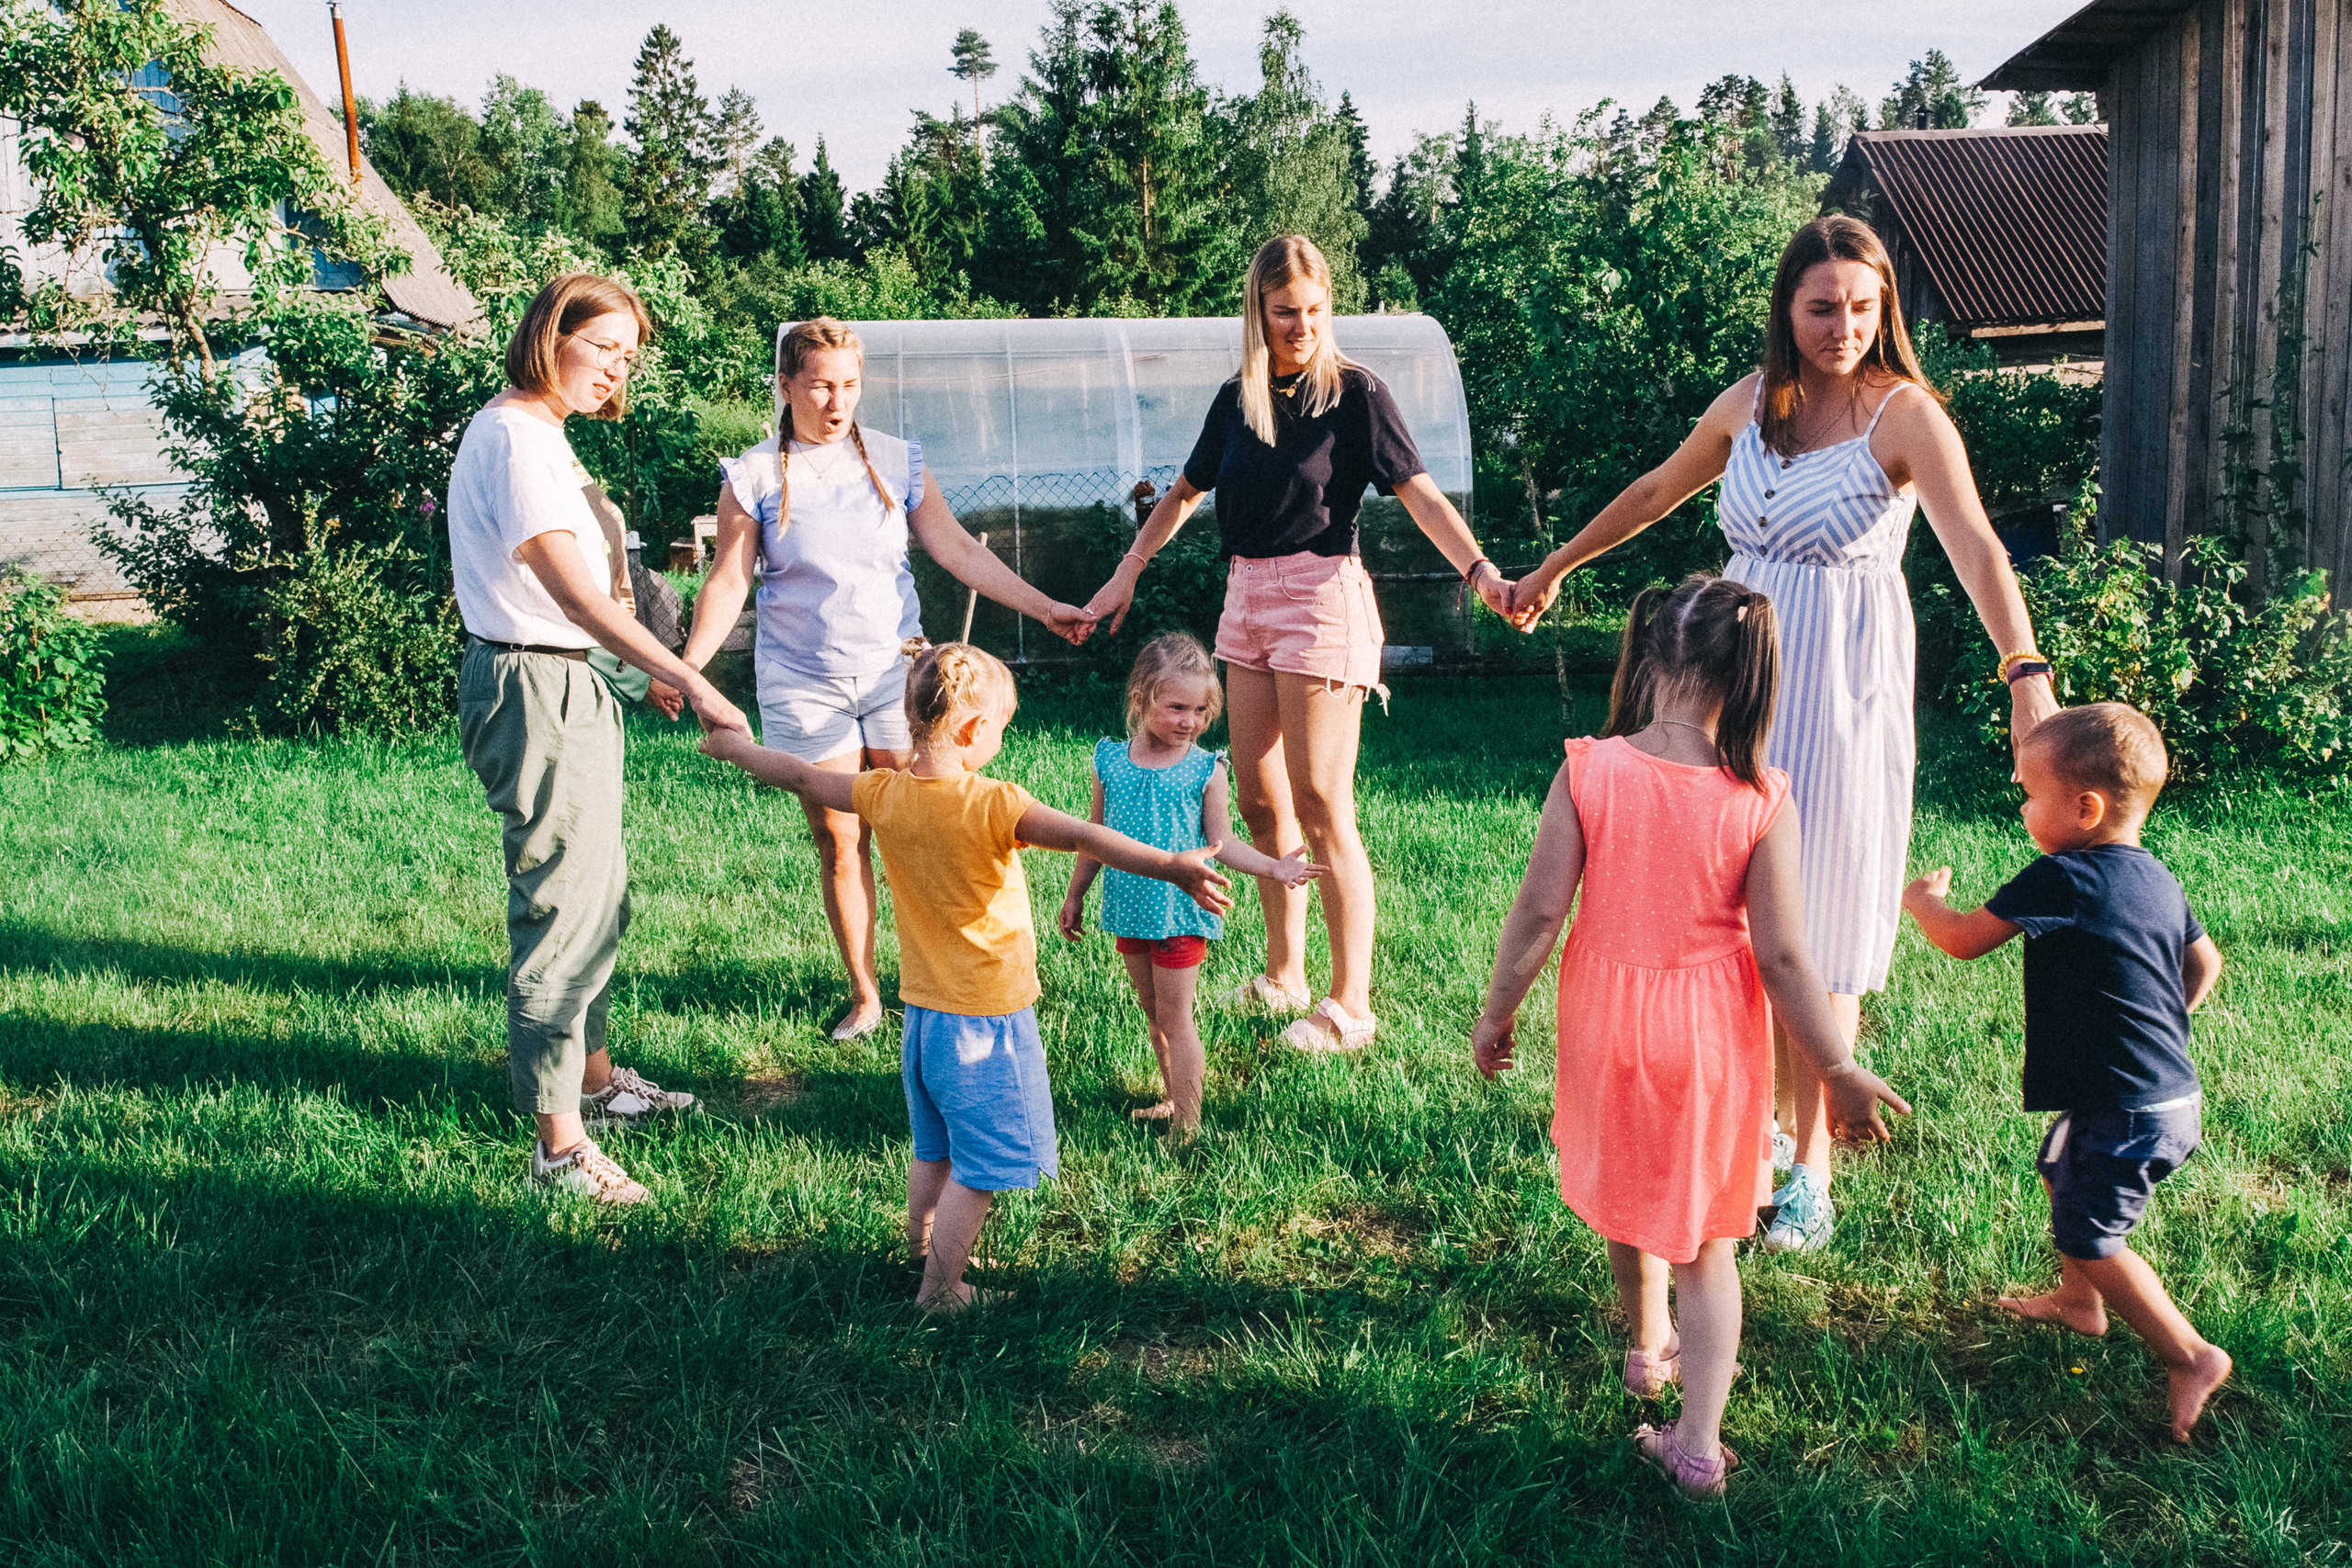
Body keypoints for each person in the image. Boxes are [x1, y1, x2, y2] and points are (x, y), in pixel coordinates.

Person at [1504, 215, 2061, 1251]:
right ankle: (1743, 1135)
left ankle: (1809, 1168)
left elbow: (1976, 546)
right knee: (1725, 915)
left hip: (1841, 688)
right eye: (1821, 307)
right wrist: (1555, 567)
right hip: (1735, 683)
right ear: (1786, 309)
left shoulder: (1905, 418)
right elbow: (1655, 491)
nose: (1842, 325)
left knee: (1820, 920)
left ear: (1884, 307)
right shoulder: (1753, 404)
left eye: (1862, 306)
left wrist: (2023, 670)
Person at [1471, 575, 1911, 1499]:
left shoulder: (1588, 769)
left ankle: (1645, 1349)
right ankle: (1698, 1445)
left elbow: (1538, 913)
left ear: (1648, 655)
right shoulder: (1760, 796)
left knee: (1627, 1187)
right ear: (1749, 675)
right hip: (1710, 1035)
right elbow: (1787, 957)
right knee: (1709, 1241)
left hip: (1607, 1026)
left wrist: (1496, 1012)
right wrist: (1834, 1066)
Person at [700, 643, 1233, 1312]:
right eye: (1002, 727)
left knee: (937, 1151)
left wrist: (735, 749)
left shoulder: (882, 791)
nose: (1001, 739)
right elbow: (1086, 837)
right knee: (979, 1170)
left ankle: (925, 1249)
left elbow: (804, 777)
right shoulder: (994, 804)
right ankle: (942, 1289)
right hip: (986, 1020)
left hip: (923, 1018)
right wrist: (1172, 864)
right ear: (974, 730)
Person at [1083, 235, 1512, 1054]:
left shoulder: (1358, 394)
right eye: (1285, 313)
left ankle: (1352, 1007)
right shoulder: (1237, 399)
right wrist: (1127, 571)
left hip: (1322, 597)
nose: (1302, 326)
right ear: (1259, 311)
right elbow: (1181, 495)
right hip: (1246, 597)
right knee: (1256, 799)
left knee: (1321, 804)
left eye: (1315, 311)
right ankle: (1287, 973)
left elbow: (1419, 495)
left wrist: (1482, 571)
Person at [662, 318, 1099, 1043]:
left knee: (928, 826)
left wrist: (1044, 606)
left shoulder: (895, 460)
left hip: (901, 675)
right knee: (840, 839)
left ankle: (953, 973)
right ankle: (866, 994)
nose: (838, 402)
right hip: (803, 679)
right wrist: (689, 668)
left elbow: (955, 548)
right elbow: (729, 578)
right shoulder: (755, 475)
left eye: (851, 385)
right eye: (821, 385)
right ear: (786, 385)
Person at [448, 272, 749, 1206]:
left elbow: (573, 605)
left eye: (627, 354)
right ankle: (559, 1147)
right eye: (602, 345)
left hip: (568, 676)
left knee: (599, 893)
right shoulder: (516, 440)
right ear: (550, 336)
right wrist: (690, 676)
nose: (617, 367)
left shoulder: (540, 436)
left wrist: (637, 672)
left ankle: (595, 1082)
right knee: (561, 905)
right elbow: (571, 596)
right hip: (534, 687)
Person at [1901, 704, 2230, 1444]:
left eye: (2030, 793)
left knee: (2090, 1232)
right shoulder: (2157, 876)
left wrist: (1922, 902)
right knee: (2060, 1166)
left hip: (2127, 1105)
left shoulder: (2064, 877)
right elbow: (2204, 963)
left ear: (2086, 808)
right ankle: (2080, 1305)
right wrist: (2158, 1027)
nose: (2021, 806)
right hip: (2161, 1093)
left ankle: (2191, 1353)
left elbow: (1960, 940)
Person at [1057, 634, 1327, 1133]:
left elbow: (1223, 841)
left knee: (1177, 1017)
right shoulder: (1108, 762)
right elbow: (1092, 839)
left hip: (1181, 912)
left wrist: (1274, 867)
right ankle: (1173, 1096)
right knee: (1152, 1010)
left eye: (1201, 710)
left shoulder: (1206, 769)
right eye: (1177, 707)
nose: (1191, 721)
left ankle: (1189, 1124)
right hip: (1130, 908)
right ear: (1142, 698)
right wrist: (1076, 894)